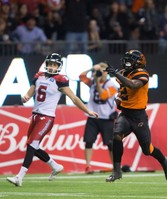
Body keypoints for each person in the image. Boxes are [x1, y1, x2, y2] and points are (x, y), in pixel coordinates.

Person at [6, 53, 98, 187]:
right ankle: (55, 166)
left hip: (47, 117)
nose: (51, 67)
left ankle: (19, 177)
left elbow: (74, 98)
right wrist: (25, 97)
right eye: (50, 64)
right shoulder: (39, 76)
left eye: (54, 64)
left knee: (32, 144)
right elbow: (31, 92)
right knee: (33, 147)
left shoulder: (60, 80)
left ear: (58, 66)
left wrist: (88, 111)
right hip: (35, 116)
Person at [104, 49, 167, 182]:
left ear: (138, 63)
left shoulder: (143, 74)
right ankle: (117, 171)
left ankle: (164, 160)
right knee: (116, 136)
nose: (126, 62)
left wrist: (117, 75)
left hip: (139, 116)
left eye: (130, 60)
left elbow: (133, 85)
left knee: (147, 149)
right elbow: (123, 89)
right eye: (126, 59)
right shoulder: (123, 73)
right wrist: (119, 98)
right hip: (125, 114)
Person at [79, 62, 118, 174]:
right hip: (93, 117)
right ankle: (88, 166)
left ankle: (115, 166)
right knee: (89, 141)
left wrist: (96, 81)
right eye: (100, 71)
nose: (101, 73)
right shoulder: (92, 82)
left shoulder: (112, 85)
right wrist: (91, 69)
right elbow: (81, 77)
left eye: (103, 70)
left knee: (110, 143)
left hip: (107, 118)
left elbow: (103, 96)